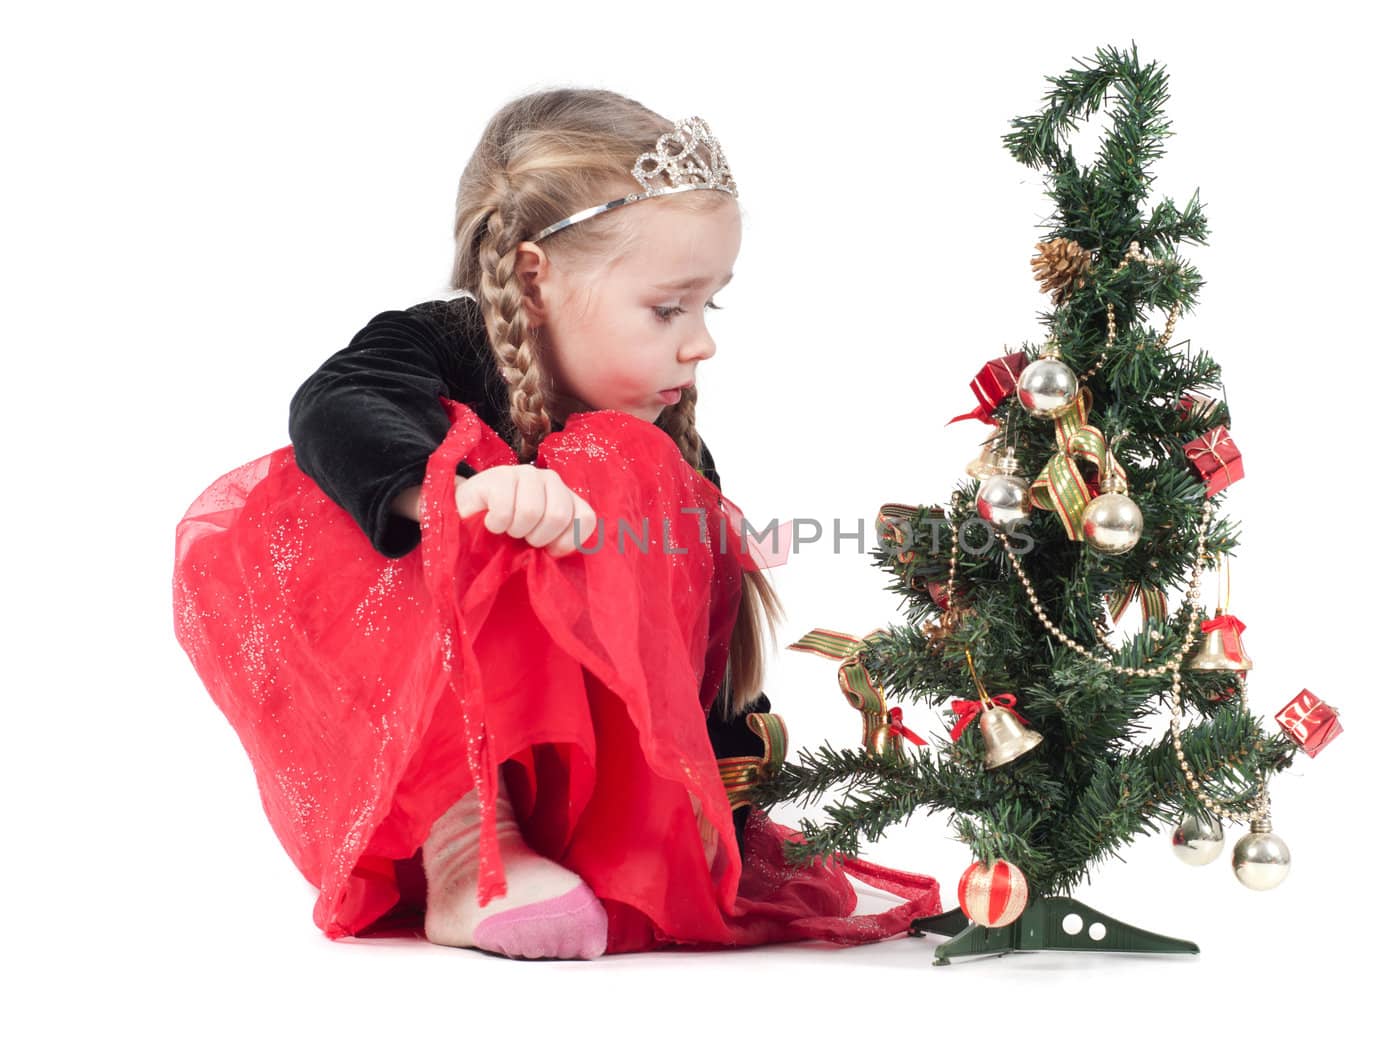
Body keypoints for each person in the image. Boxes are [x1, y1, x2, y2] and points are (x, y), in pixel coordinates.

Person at [172, 89, 941, 961]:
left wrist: (728, 810)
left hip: (594, 794)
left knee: (629, 470)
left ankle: (600, 852)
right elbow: (336, 403)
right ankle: (473, 846)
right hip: (430, 762)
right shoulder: (443, 342)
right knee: (332, 491)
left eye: (708, 307)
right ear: (535, 279)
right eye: (667, 309)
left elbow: (696, 640)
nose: (701, 344)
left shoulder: (659, 447)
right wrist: (452, 494)